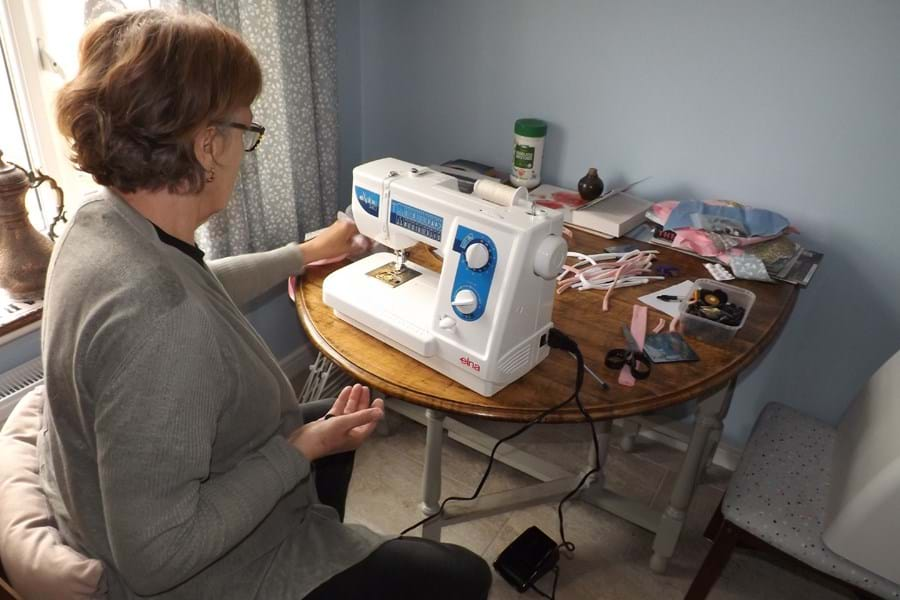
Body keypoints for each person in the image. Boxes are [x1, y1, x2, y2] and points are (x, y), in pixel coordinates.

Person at [40, 9, 492, 600]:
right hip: (199, 578)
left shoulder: (102, 222)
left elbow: (196, 285)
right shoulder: (162, 323)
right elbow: (158, 557)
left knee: (333, 417)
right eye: (246, 130)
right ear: (207, 145)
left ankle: (317, 517)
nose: (247, 142)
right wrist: (298, 450)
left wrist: (301, 254)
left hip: (111, 501)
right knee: (464, 578)